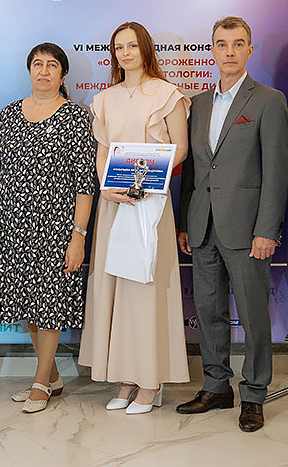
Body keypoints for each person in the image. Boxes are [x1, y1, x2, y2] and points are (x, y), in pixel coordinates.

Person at [176, 16, 288, 432]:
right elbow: (192, 170)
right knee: (208, 311)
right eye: (222, 44)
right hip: (202, 225)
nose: (229, 51)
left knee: (254, 314)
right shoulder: (198, 104)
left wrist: (267, 229)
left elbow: (277, 171)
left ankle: (255, 393)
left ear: (249, 50)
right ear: (211, 50)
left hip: (248, 229)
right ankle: (216, 386)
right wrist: (185, 222)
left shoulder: (268, 100)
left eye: (238, 44)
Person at [78, 22, 190, 415]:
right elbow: (102, 152)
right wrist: (105, 187)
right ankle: (125, 377)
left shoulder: (168, 94)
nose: (125, 53)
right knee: (115, 286)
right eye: (118, 47)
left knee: (145, 287)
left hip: (151, 203)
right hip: (114, 203)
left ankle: (150, 380)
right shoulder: (104, 99)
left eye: (132, 46)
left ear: (145, 48)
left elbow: (180, 149)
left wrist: (147, 179)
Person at [0, 43, 95, 413]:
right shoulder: (10, 114)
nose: (44, 71)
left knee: (50, 304)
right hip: (13, 224)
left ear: (63, 74)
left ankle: (40, 382)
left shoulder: (75, 117)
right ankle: (52, 377)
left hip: (57, 227)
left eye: (52, 65)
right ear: (29, 70)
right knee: (30, 304)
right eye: (37, 64)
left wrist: (78, 236)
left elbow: (85, 183)